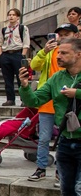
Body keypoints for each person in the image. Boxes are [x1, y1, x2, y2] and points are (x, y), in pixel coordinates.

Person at [19, 38, 81, 196]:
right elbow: (35, 99)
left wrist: (77, 94)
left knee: (79, 189)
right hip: (65, 141)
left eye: (64, 53)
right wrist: (24, 86)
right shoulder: (57, 78)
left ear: (78, 54)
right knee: (67, 190)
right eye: (58, 52)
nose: (58, 56)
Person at [28, 23, 78, 181]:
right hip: (48, 100)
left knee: (65, 137)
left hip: (66, 102)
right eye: (60, 35)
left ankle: (60, 171)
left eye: (66, 34)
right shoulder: (51, 51)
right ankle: (41, 168)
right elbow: (34, 65)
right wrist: (44, 51)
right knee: (44, 138)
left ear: (75, 36)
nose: (62, 37)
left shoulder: (75, 54)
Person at [0, 8, 31, 106]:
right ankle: (10, 99)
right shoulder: (4, 29)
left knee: (21, 78)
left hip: (17, 53)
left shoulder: (22, 28)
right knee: (7, 79)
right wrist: (1, 54)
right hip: (6, 54)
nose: (11, 17)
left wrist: (23, 55)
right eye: (10, 15)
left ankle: (24, 99)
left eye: (13, 15)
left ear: (17, 17)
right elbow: (0, 43)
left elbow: (26, 43)